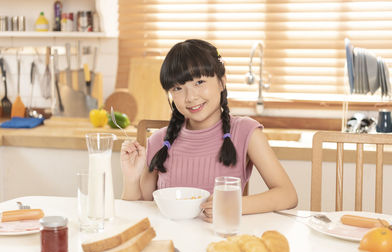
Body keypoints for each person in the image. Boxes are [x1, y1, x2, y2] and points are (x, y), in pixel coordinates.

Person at [121, 39, 298, 222]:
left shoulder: (246, 132)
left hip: (222, 241)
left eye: (199, 82)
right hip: (172, 242)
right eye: (178, 88)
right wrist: (131, 179)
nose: (191, 97)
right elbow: (140, 210)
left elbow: (288, 195)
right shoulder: (158, 141)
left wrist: (234, 204)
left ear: (222, 82)